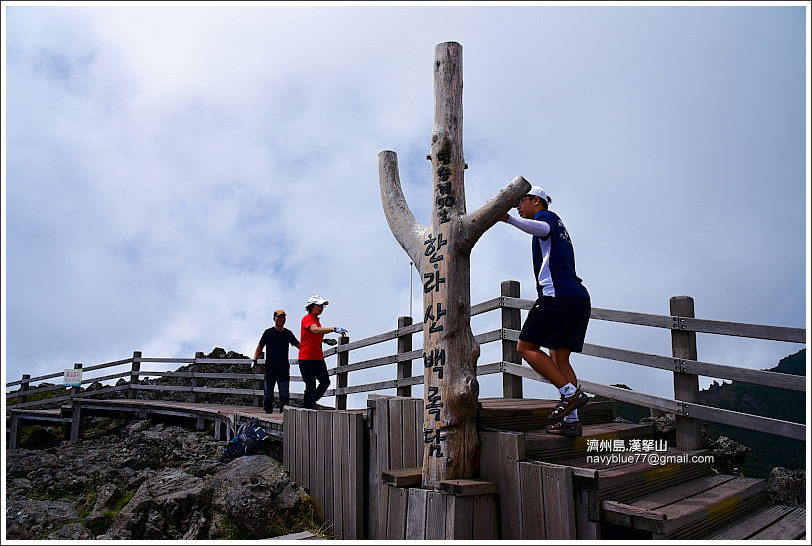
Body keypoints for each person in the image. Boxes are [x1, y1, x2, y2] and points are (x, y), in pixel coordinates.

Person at [501, 186, 591, 438]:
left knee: (525, 347)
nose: (518, 206)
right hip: (578, 298)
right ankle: (571, 422)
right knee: (560, 359)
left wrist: (508, 219)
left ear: (536, 200)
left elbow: (543, 229)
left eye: (521, 201)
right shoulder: (558, 225)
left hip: (556, 297)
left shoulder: (546, 218)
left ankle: (570, 394)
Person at [298, 295, 347, 409]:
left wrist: (324, 340)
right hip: (306, 358)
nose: (321, 308)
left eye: (322, 306)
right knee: (310, 385)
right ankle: (309, 406)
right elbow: (314, 330)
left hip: (318, 358)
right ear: (311, 306)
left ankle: (308, 403)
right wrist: (333, 329)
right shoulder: (307, 318)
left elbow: (312, 335)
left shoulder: (316, 320)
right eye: (319, 305)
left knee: (325, 382)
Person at [253, 309, 300, 413]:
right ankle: (268, 412)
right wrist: (255, 359)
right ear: (274, 318)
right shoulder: (268, 332)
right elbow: (260, 346)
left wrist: (312, 348)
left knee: (284, 393)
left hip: (283, 367)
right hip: (270, 367)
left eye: (283, 317)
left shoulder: (288, 333)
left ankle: (284, 413)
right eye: (279, 317)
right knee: (268, 393)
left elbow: (299, 345)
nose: (281, 319)